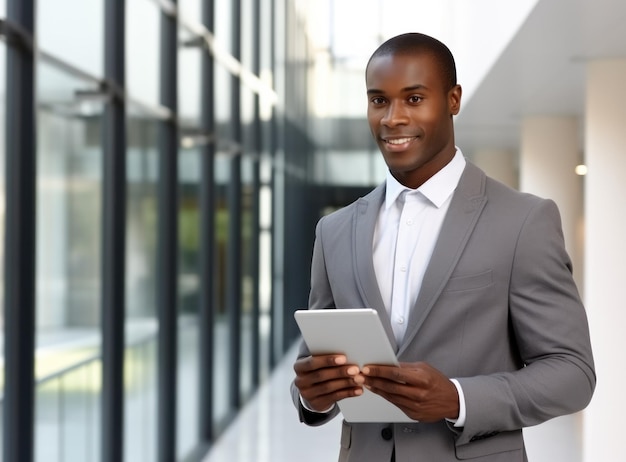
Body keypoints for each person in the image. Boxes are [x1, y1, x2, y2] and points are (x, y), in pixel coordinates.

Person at [290, 32, 595, 462]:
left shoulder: (523, 221)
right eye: (379, 100)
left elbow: (572, 374)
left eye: (413, 99)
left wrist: (457, 398)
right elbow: (316, 365)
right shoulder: (334, 231)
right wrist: (312, 396)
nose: (392, 118)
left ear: (453, 99)